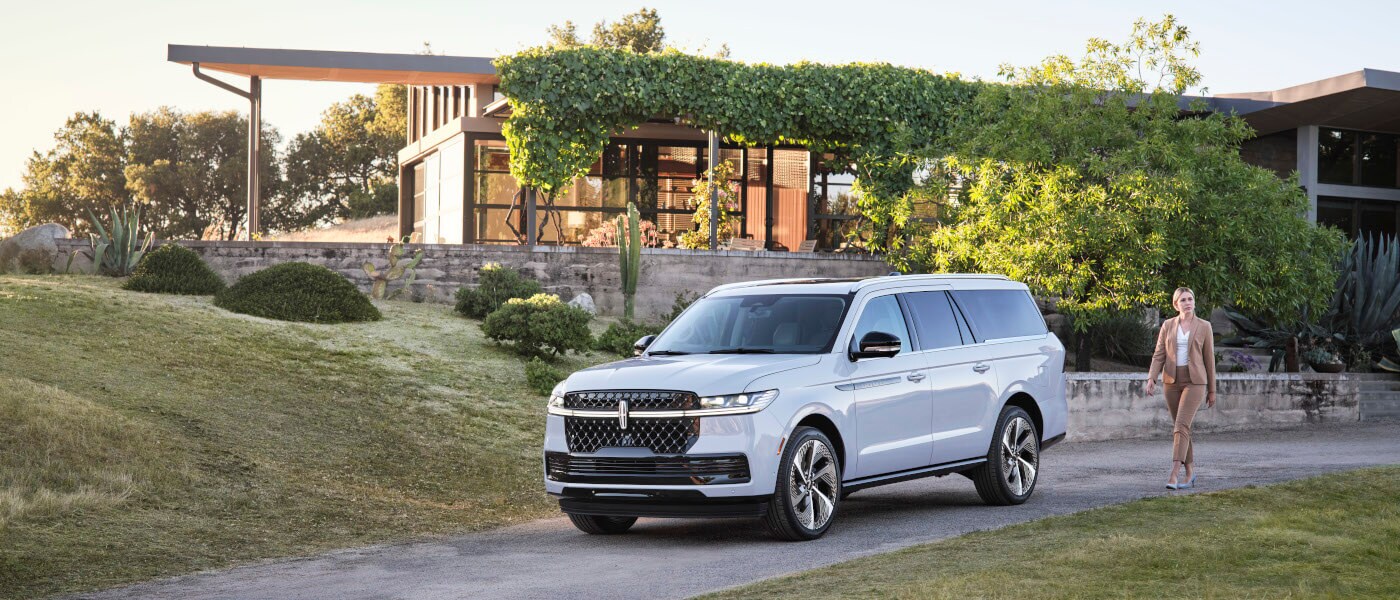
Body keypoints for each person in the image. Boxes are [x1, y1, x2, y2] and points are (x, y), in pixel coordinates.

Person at [1144, 287, 1216, 490]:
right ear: (1176, 305)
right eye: (1183, 300)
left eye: (1190, 298)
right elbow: (1159, 354)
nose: (1187, 302)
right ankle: (1191, 472)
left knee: (1180, 426)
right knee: (1182, 428)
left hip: (1195, 382)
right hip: (1171, 381)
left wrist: (1212, 390)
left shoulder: (1204, 326)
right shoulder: (1168, 325)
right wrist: (1152, 378)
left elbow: (1209, 360)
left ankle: (1174, 473)